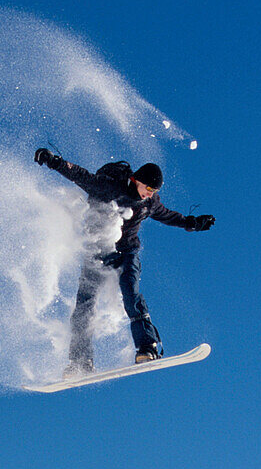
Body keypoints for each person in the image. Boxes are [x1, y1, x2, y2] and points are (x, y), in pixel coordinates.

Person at [34, 148, 215, 375]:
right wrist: (54, 161)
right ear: (135, 180)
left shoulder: (149, 202)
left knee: (131, 293)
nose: (150, 194)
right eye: (148, 188)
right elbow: (80, 175)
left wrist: (191, 222)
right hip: (98, 251)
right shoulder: (109, 187)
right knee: (84, 305)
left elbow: (167, 215)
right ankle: (80, 362)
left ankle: (146, 348)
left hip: (127, 251)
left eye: (155, 190)